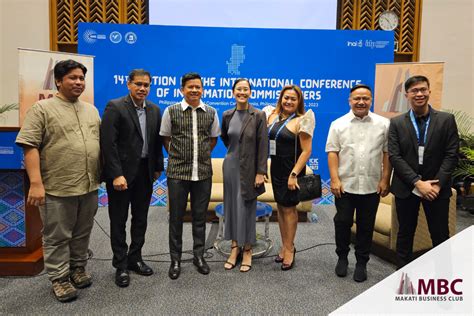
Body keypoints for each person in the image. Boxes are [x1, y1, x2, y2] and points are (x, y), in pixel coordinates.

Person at [15, 59, 100, 302]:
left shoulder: (91, 110)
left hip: (87, 184)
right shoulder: (42, 109)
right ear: (59, 81)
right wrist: (36, 183)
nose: (78, 82)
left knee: (82, 232)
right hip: (56, 187)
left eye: (81, 78)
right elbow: (30, 146)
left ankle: (77, 268)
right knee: (57, 235)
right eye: (73, 78)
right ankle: (59, 278)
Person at [100, 69, 164, 287]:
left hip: (145, 174)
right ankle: (120, 264)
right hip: (121, 175)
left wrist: (157, 168)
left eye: (146, 85)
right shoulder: (115, 106)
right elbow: (108, 144)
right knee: (118, 220)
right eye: (138, 84)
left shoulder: (155, 109)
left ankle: (135, 258)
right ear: (128, 84)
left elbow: (155, 143)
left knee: (141, 219)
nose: (142, 88)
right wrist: (116, 174)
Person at [388, 75, 459, 268]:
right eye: (414, 91)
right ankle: (403, 278)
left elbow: (451, 154)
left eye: (422, 89)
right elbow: (395, 157)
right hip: (407, 187)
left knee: (440, 235)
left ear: (429, 91)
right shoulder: (396, 123)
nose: (419, 94)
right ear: (407, 95)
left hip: (437, 189)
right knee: (404, 234)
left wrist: (436, 184)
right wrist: (418, 183)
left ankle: (443, 281)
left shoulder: (446, 120)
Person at [325, 84, 391, 282]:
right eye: (357, 98)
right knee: (342, 222)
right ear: (350, 101)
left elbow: (388, 153)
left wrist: (385, 178)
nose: (361, 102)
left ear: (371, 100)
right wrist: (335, 179)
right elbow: (332, 152)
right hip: (345, 185)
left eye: (365, 98)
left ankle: (362, 263)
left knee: (366, 225)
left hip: (372, 185)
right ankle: (342, 257)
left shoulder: (384, 124)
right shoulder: (338, 124)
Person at [159, 72, 220, 280]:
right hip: (177, 173)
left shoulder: (211, 112)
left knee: (200, 217)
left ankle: (199, 256)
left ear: (202, 89)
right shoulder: (171, 111)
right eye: (190, 87)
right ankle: (175, 259)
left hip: (203, 172)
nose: (194, 90)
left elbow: (212, 140)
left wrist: (199, 157)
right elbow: (166, 138)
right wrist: (180, 156)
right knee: (176, 218)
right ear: (182, 90)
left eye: (198, 87)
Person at [221, 79, 268, 272]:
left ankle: (247, 249)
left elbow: (263, 145)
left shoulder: (258, 115)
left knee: (247, 208)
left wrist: (260, 172)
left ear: (250, 92)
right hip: (230, 166)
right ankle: (234, 248)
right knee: (231, 207)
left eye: (245, 89)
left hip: (250, 169)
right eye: (238, 89)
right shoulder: (226, 115)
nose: (242, 92)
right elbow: (226, 138)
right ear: (233, 92)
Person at [266, 85, 315, 271]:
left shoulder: (302, 120)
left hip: (291, 171)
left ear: (299, 102)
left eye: (293, 99)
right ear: (281, 98)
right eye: (286, 98)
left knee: (289, 210)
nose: (289, 101)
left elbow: (307, 151)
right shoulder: (272, 116)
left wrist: (294, 174)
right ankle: (284, 245)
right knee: (280, 208)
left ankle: (290, 248)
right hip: (276, 169)